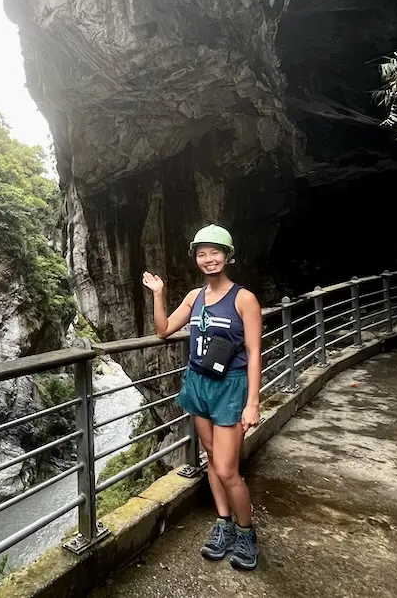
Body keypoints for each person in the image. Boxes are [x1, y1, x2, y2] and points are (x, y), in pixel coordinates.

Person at [142, 224, 262, 571]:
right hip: (198, 382)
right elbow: (164, 330)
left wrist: (252, 402)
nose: (209, 259)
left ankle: (245, 532)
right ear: (195, 258)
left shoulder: (244, 299)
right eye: (202, 253)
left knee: (228, 469)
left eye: (215, 252)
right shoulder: (194, 297)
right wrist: (159, 294)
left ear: (228, 256)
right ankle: (223, 524)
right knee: (211, 457)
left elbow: (254, 353)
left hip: (230, 387)